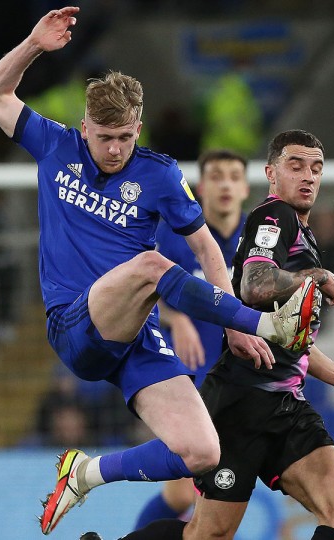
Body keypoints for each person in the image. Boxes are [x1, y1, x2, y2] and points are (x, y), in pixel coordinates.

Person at [0, 7, 320, 535]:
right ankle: (270, 325)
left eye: (125, 138)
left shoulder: (159, 174)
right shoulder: (54, 144)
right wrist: (34, 46)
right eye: (104, 137)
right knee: (150, 264)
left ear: (139, 127)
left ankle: (84, 474)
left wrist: (228, 322)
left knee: (203, 452)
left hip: (133, 336)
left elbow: (206, 249)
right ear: (85, 126)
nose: (114, 150)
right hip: (74, 322)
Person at [123, 130, 334, 540]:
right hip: (241, 402)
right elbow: (254, 285)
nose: (308, 176)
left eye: (316, 168)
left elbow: (286, 340)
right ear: (271, 173)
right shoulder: (274, 217)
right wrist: (316, 275)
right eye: (295, 166)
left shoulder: (300, 233)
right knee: (208, 533)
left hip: (285, 405)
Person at [134, 148, 250, 529]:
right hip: (191, 375)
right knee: (185, 492)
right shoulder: (174, 236)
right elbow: (141, 291)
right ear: (201, 187)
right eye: (216, 176)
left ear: (246, 187)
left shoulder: (259, 240)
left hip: (243, 383)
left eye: (234, 176)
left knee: (211, 496)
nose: (226, 185)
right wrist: (175, 318)